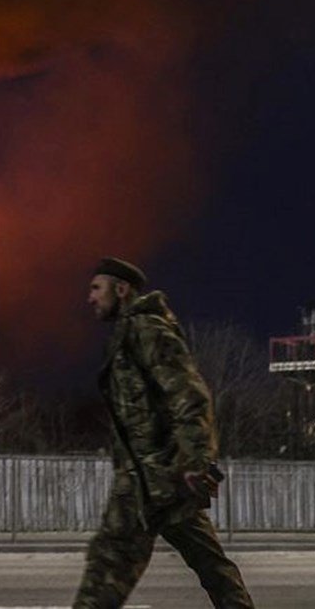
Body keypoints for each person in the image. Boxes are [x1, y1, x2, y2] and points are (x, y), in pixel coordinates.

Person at [74, 257, 255, 608]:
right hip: (153, 480)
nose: (90, 297)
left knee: (110, 568)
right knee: (210, 568)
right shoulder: (127, 335)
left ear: (121, 289)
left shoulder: (146, 330)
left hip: (159, 479)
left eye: (97, 288)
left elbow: (191, 396)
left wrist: (196, 462)